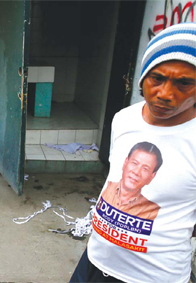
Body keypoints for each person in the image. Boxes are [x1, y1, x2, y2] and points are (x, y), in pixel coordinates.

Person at [70, 22, 196, 283]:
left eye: (184, 83)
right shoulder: (125, 119)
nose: (165, 94)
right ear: (143, 77)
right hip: (95, 261)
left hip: (153, 277)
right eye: (157, 78)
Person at [100, 142, 162, 221]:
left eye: (145, 169)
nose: (136, 172)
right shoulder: (108, 188)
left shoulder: (151, 210)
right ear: (125, 163)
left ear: (152, 176)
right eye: (134, 163)